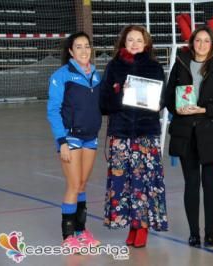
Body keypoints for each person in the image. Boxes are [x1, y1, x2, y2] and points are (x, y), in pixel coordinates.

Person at [165, 26, 213, 247]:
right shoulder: (181, 64)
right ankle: (194, 233)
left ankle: (210, 232)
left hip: (212, 133)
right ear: (192, 43)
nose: (202, 45)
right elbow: (169, 97)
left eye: (206, 41)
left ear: (212, 44)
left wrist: (204, 110)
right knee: (191, 184)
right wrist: (179, 109)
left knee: (210, 184)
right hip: (186, 132)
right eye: (198, 40)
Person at [100, 25, 168, 248]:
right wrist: (121, 95)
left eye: (139, 40)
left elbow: (162, 100)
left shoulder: (155, 67)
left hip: (145, 135)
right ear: (123, 42)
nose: (135, 43)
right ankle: (131, 225)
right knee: (123, 183)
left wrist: (156, 102)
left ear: (146, 43)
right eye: (130, 40)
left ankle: (143, 227)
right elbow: (104, 104)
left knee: (144, 183)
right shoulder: (113, 67)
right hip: (120, 134)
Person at [47, 32, 102, 249]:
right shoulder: (62, 75)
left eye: (86, 46)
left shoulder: (97, 75)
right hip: (70, 137)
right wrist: (61, 141)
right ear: (70, 51)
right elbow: (53, 110)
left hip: (90, 137)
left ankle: (81, 232)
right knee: (72, 184)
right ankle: (68, 236)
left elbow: (104, 103)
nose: (83, 50)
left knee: (81, 185)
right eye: (78, 47)